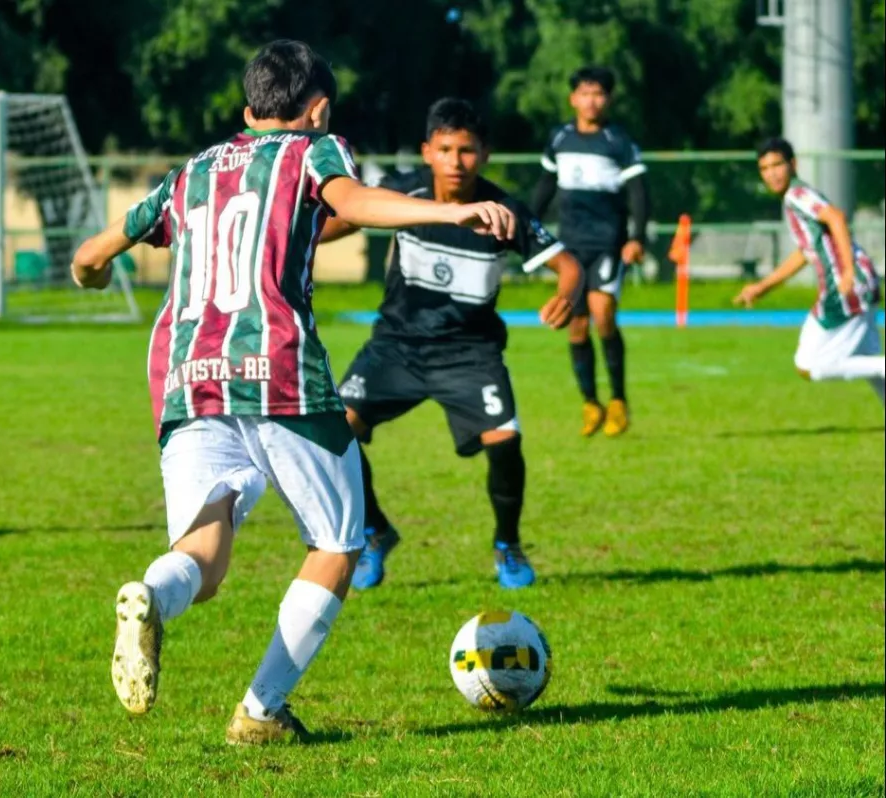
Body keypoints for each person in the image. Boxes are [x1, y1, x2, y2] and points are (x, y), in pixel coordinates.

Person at [70, 41, 518, 745]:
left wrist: (91, 276)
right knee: (339, 543)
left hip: (187, 379)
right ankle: (260, 709)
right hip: (276, 371)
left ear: (248, 110)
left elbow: (90, 257)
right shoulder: (316, 151)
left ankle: (151, 595)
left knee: (204, 556)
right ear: (319, 109)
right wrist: (448, 213)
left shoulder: (191, 172)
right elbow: (356, 203)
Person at [322, 98, 583, 591]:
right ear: (427, 151)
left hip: (471, 353)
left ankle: (508, 544)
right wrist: (295, 241)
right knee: (336, 432)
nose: (455, 161)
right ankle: (374, 532)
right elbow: (345, 221)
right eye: (445, 149)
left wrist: (567, 295)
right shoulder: (404, 195)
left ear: (484, 155)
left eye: (467, 150)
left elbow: (569, 265)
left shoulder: (504, 213)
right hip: (396, 345)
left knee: (505, 441)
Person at [531, 66, 649, 437]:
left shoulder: (619, 141)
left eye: (598, 94)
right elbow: (545, 186)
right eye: (584, 93)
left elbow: (639, 193)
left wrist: (637, 237)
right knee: (576, 326)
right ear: (573, 99)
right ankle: (590, 403)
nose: (591, 100)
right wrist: (526, 225)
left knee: (603, 314)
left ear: (608, 99)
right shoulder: (560, 138)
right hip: (571, 247)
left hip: (608, 243)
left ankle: (618, 401)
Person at [734, 137, 884, 402]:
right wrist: (762, 287)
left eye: (777, 165)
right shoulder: (795, 199)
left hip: (846, 285)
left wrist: (848, 272)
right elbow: (805, 253)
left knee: (809, 364)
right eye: (765, 169)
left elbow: (835, 216)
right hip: (861, 281)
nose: (771, 174)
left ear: (793, 164)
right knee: (870, 363)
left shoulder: (797, 194)